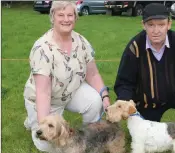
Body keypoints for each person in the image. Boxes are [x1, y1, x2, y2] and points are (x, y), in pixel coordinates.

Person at [23, 1, 110, 152]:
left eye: (70, 15)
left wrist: (105, 97)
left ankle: (88, 135)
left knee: (95, 101)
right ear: (52, 17)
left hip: (70, 91)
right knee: (46, 144)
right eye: (61, 15)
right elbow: (43, 93)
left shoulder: (82, 42)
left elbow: (93, 74)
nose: (66, 19)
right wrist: (46, 124)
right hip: (46, 100)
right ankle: (33, 119)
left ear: (76, 18)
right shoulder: (42, 48)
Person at [114, 3, 175, 135]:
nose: (156, 30)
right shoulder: (134, 47)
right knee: (149, 139)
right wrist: (124, 101)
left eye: (161, 24)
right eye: (151, 25)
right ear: (143, 25)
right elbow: (124, 82)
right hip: (147, 102)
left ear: (169, 24)